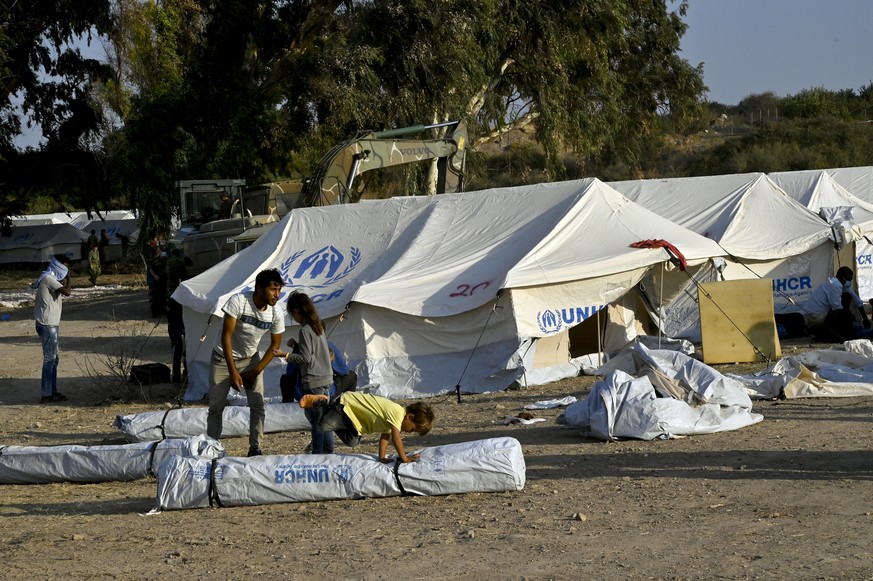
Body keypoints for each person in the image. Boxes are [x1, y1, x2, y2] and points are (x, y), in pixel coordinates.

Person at [207, 268, 285, 457]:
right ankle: (212, 447)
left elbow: (275, 346)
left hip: (251, 359)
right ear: (259, 288)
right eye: (273, 290)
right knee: (216, 407)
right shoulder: (239, 302)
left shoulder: (276, 312)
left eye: (279, 289)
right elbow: (226, 336)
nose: (277, 295)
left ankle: (255, 447)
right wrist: (233, 372)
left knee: (258, 404)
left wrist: (255, 371)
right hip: (223, 360)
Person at [271, 292, 334, 454]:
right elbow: (313, 352)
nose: (294, 318)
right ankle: (329, 455)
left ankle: (318, 456)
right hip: (326, 378)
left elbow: (305, 358)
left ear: (297, 310)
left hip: (314, 381)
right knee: (326, 421)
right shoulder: (318, 326)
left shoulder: (305, 330)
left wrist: (284, 355)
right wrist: (296, 346)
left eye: (293, 314)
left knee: (317, 422)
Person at [299, 392, 434, 463]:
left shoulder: (394, 422)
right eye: (412, 429)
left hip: (354, 420)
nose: (409, 432)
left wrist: (381, 457)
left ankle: (331, 417)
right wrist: (404, 458)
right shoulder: (397, 412)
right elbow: (395, 438)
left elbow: (385, 437)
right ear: (410, 417)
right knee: (322, 426)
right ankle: (321, 401)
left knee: (352, 441)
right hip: (347, 405)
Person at [32, 255, 72, 403]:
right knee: (50, 360)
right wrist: (69, 278)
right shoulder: (49, 279)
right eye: (65, 268)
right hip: (47, 325)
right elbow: (67, 292)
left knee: (54, 360)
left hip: (51, 324)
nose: (66, 272)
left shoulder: (50, 279)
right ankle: (46, 394)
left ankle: (52, 391)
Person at [802, 266, 871, 342]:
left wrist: (865, 319)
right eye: (849, 280)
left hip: (818, 314)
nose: (850, 282)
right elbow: (837, 309)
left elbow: (858, 301)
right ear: (843, 278)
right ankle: (825, 333)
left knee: (846, 298)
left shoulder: (841, 284)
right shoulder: (834, 285)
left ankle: (829, 332)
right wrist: (849, 317)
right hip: (813, 317)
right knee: (842, 315)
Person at [165, 246, 189, 384]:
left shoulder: (168, 263)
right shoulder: (179, 264)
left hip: (174, 324)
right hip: (180, 324)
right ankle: (186, 373)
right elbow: (185, 276)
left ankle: (176, 377)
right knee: (186, 349)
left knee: (176, 350)